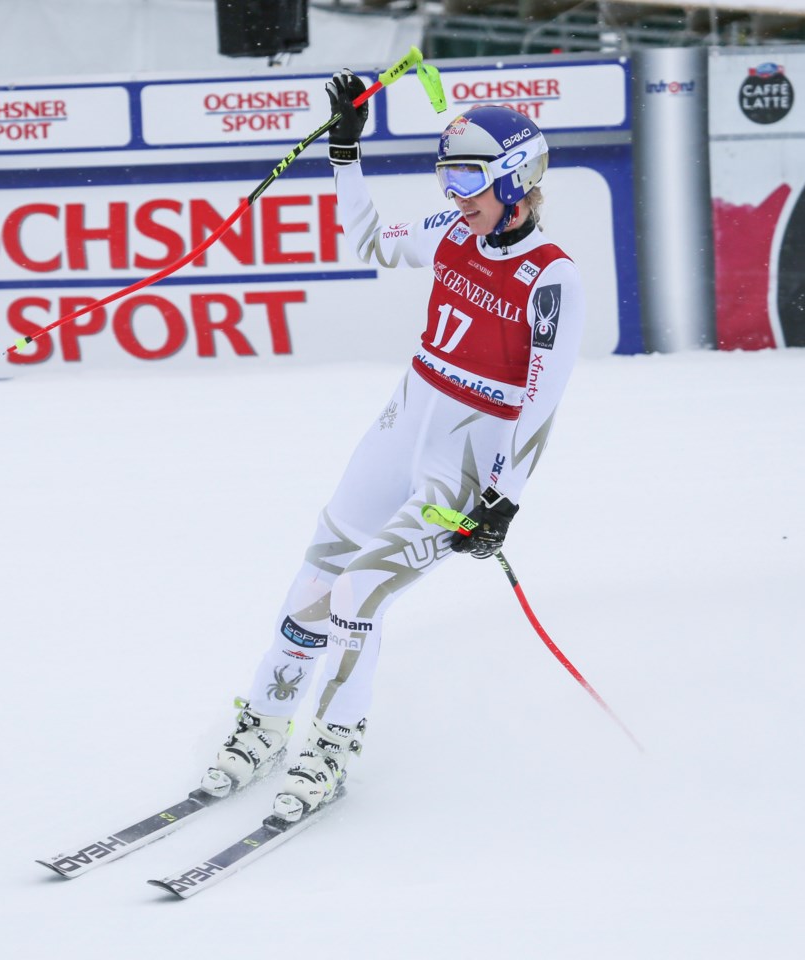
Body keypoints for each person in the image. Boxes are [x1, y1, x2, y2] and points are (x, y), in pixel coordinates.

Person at [200, 69, 585, 822]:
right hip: (405, 418)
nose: (454, 193)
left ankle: (334, 742)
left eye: (470, 177)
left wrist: (505, 501)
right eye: (447, 175)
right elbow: (373, 241)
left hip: (466, 458)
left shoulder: (551, 276)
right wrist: (346, 150)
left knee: (357, 593)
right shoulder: (449, 232)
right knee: (316, 580)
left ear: (516, 179)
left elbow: (543, 398)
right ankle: (267, 722)